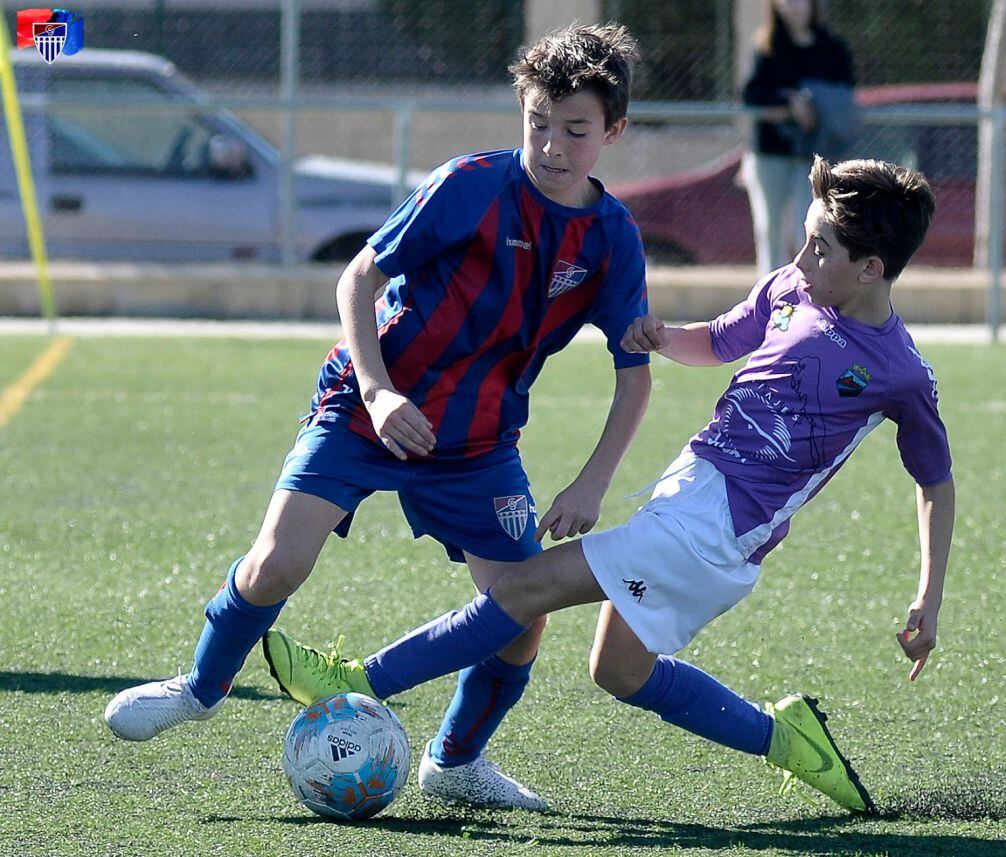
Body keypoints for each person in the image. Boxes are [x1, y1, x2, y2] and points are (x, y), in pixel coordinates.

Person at [265, 155, 954, 814]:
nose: (800, 260)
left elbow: (935, 481)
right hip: (687, 491)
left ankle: (359, 682)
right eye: (803, 239)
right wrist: (660, 335)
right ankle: (787, 738)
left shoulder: (899, 373)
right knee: (618, 670)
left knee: (522, 589)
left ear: (870, 268)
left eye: (820, 249)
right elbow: (719, 340)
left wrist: (928, 595)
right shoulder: (788, 290)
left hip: (716, 530)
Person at [103, 22, 653, 812]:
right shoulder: (468, 184)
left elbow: (633, 377)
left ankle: (455, 761)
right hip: (365, 409)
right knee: (276, 564)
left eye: (575, 129)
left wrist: (595, 479)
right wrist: (377, 390)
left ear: (614, 131)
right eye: (537, 121)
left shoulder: (612, 240)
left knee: (523, 611)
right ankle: (200, 686)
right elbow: (358, 277)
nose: (551, 144)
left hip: (477, 442)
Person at [742, 0, 856, 275]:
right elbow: (752, 95)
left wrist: (813, 104)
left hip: (814, 156)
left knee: (810, 227)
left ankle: (810, 297)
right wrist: (788, 101)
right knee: (770, 230)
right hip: (770, 153)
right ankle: (771, 301)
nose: (793, 6)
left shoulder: (832, 49)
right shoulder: (767, 47)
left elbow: (845, 98)